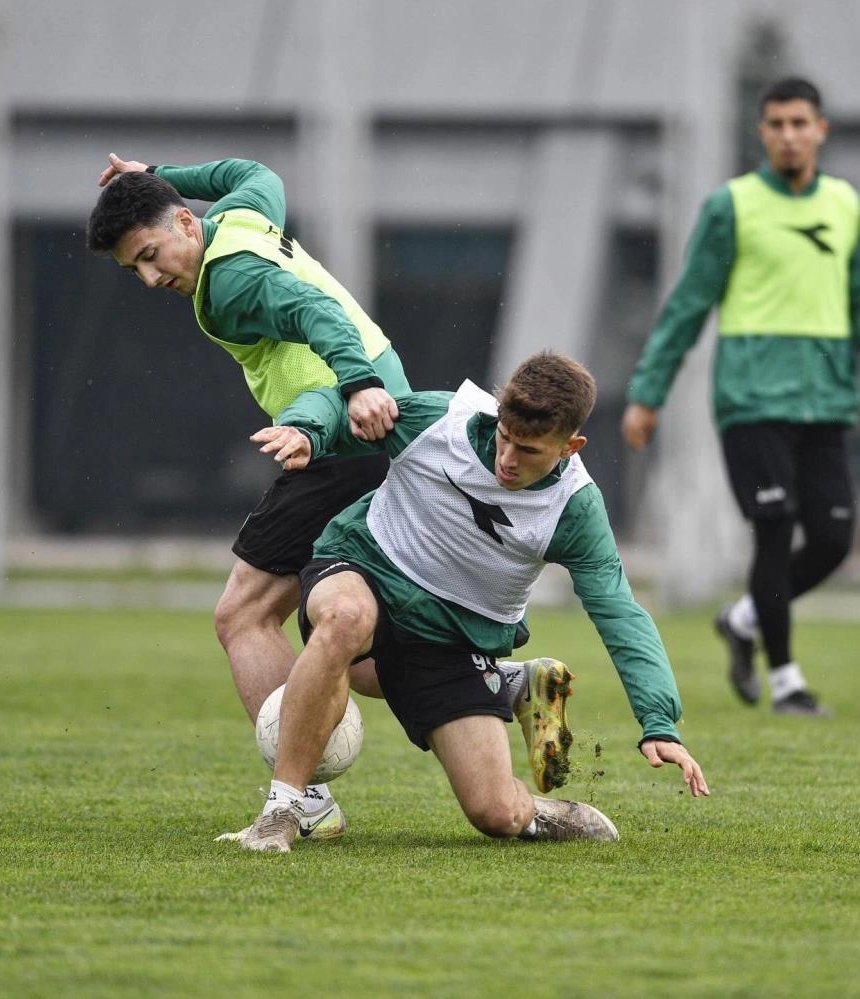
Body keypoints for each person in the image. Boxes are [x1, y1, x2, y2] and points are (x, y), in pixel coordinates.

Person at [222, 351, 709, 853]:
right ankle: (282, 810)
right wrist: (308, 429)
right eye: (504, 436)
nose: (508, 459)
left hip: (450, 637)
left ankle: (533, 771)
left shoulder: (574, 510)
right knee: (345, 621)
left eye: (529, 450)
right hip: (365, 565)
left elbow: (619, 612)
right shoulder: (440, 420)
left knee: (496, 814)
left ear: (570, 446)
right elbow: (346, 405)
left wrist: (658, 721)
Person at [86, 155, 413, 839]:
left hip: (339, 434)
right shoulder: (241, 218)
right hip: (375, 423)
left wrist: (356, 388)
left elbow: (315, 310)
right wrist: (158, 172)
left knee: (244, 615)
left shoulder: (230, 278)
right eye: (133, 269)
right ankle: (498, 682)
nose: (150, 278)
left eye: (150, 255)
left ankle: (305, 799)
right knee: (356, 652)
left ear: (185, 223)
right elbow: (254, 172)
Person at [621, 77, 860, 717]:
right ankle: (787, 683)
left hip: (827, 402)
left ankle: (744, 619)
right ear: (762, 132)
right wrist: (648, 393)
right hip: (751, 402)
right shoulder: (733, 206)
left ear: (820, 130)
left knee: (833, 540)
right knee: (774, 531)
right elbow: (688, 304)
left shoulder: (846, 205)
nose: (788, 135)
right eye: (776, 124)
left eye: (799, 123)